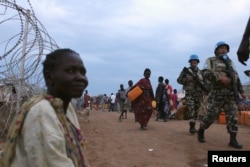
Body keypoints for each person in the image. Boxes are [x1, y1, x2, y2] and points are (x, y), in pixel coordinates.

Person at [0, 49, 90, 166]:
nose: (80, 77)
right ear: (49, 77)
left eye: (82, 72)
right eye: (71, 71)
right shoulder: (41, 112)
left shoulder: (66, 109)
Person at [197, 41, 246, 149]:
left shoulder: (231, 62)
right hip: (217, 94)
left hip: (231, 94)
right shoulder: (211, 60)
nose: (224, 50)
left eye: (225, 48)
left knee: (232, 116)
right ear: (216, 50)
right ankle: (201, 130)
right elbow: (205, 73)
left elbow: (235, 78)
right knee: (211, 116)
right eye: (221, 48)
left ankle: (233, 139)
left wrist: (241, 91)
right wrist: (219, 77)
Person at [177, 54, 206, 134]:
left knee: (196, 111)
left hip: (198, 94)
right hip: (190, 94)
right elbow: (179, 80)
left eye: (196, 61)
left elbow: (203, 82)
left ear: (197, 62)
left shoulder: (200, 72)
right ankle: (192, 127)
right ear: (190, 62)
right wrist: (187, 79)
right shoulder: (186, 71)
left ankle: (193, 126)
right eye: (193, 61)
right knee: (191, 110)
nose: (194, 62)